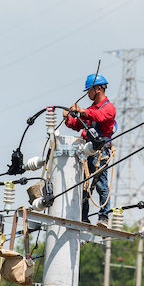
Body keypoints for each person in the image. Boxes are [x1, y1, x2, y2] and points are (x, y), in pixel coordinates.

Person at [62, 73, 117, 228]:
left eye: (89, 90)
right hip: (86, 151)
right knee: (84, 187)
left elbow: (98, 116)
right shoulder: (91, 109)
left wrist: (81, 110)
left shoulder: (108, 108)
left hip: (100, 153)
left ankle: (104, 217)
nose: (88, 94)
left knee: (101, 184)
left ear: (98, 89)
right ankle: (84, 218)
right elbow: (79, 124)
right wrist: (68, 118)